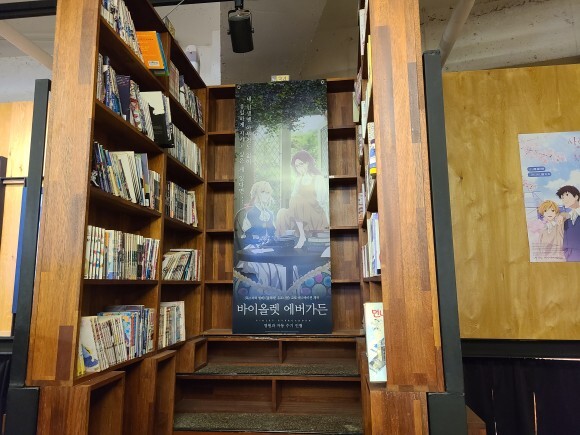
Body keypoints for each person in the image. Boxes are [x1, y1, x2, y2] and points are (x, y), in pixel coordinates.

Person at [235, 181, 286, 290]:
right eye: (262, 192)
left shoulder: (270, 213)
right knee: (269, 269)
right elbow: (247, 235)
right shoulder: (250, 212)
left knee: (285, 268)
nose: (265, 195)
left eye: (268, 193)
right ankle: (267, 294)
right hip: (252, 249)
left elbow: (272, 234)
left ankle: (282, 295)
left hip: (268, 248)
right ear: (256, 194)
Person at [276, 150, 329, 249]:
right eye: (297, 166)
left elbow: (322, 200)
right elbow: (293, 196)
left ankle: (302, 236)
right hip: (300, 210)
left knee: (298, 200)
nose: (299, 168)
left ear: (308, 163)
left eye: (301, 164)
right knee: (282, 212)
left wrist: (305, 203)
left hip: (315, 211)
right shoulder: (298, 179)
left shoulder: (318, 178)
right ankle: (283, 241)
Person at [556, 185, 580, 261]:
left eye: (567, 195)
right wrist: (567, 252)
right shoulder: (566, 217)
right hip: (570, 256)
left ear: (576, 197)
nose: (564, 199)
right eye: (562, 197)